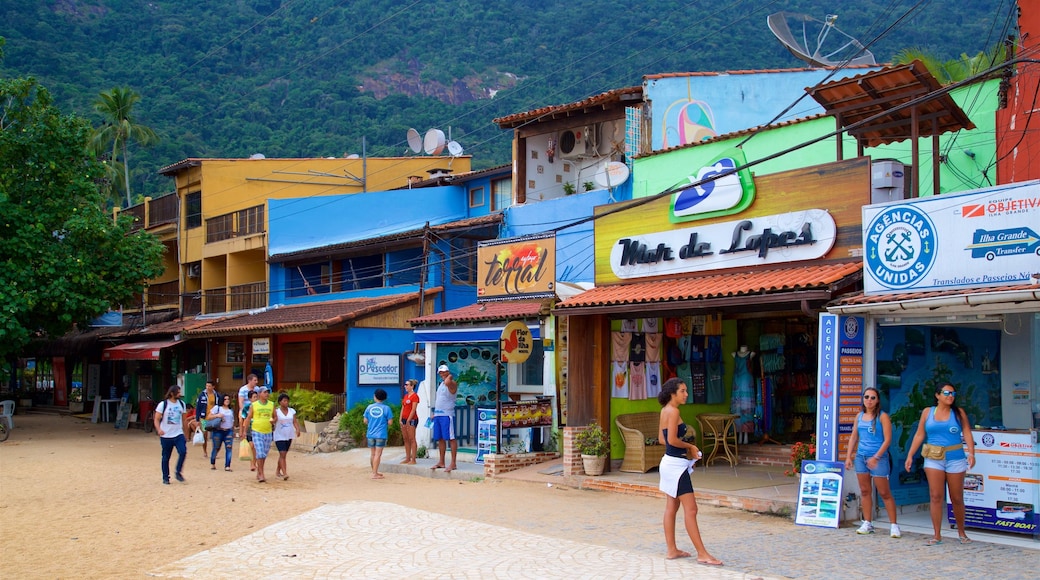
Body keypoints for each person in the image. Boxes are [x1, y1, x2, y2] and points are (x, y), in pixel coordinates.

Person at [657, 378, 721, 565]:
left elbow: (662, 439)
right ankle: (702, 554)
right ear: (673, 393)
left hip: (670, 463)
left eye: (686, 390)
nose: (686, 394)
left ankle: (672, 550)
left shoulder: (665, 411)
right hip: (676, 467)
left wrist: (684, 449)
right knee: (691, 509)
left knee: (672, 507)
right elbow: (673, 441)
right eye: (683, 391)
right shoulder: (674, 411)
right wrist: (690, 447)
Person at [904, 382, 976, 545]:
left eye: (953, 393)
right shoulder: (928, 412)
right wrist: (910, 455)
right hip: (933, 457)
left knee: (957, 497)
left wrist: (971, 453)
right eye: (946, 393)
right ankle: (937, 535)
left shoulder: (958, 413)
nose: (950, 396)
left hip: (955, 457)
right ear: (937, 395)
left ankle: (961, 532)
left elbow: (967, 433)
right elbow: (919, 434)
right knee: (936, 495)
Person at [844, 387, 900, 538]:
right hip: (861, 457)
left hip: (879, 457)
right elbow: (854, 437)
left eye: (872, 397)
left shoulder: (882, 417)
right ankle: (867, 522)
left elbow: (887, 439)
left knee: (884, 492)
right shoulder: (859, 416)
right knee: (864, 490)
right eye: (866, 397)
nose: (869, 400)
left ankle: (894, 525)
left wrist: (876, 457)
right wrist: (849, 456)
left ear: (877, 400)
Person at [154, 385, 187, 485]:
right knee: (165, 457)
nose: (180, 394)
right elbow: (156, 418)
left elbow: (184, 419)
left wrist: (186, 434)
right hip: (166, 435)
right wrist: (159, 429)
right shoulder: (163, 405)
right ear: (172, 393)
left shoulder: (182, 404)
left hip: (178, 433)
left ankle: (178, 472)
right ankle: (165, 477)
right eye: (178, 392)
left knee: (183, 451)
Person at [431, 365, 458, 472]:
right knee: (440, 438)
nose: (442, 374)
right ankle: (441, 461)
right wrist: (435, 413)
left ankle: (453, 463)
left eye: (444, 372)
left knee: (451, 438)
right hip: (438, 414)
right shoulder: (441, 384)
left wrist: (449, 375)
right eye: (440, 372)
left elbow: (448, 382)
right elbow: (440, 400)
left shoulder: (452, 383)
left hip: (447, 415)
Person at [245, 386, 275, 483]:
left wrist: (273, 421)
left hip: (268, 431)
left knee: (264, 454)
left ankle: (259, 471)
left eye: (267, 392)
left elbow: (275, 417)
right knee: (260, 452)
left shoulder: (271, 404)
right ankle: (261, 473)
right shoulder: (254, 405)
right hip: (257, 431)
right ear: (259, 394)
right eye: (265, 392)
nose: (267, 394)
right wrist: (244, 431)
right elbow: (248, 418)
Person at [364, 388, 393, 479]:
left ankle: (374, 471)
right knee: (378, 454)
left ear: (375, 396)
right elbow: (390, 422)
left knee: (372, 454)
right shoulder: (386, 408)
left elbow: (365, 420)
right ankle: (375, 473)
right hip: (381, 434)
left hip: (370, 433)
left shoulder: (369, 407)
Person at [729, 346, 756, 445]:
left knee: (747, 410)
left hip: (746, 385)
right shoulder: (734, 355)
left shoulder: (750, 354)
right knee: (737, 410)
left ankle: (746, 435)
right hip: (737, 385)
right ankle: (739, 434)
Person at [272, 392, 301, 480]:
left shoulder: (292, 411)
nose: (286, 402)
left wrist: (297, 429)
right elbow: (273, 420)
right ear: (280, 402)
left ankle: (278, 470)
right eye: (284, 401)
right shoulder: (276, 411)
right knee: (282, 453)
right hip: (279, 435)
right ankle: (284, 473)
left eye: (287, 401)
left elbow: (294, 421)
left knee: (283, 455)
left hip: (289, 434)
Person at [206, 394, 235, 471]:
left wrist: (233, 430)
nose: (227, 401)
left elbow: (232, 421)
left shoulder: (230, 410)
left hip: (228, 431)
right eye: (225, 399)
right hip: (218, 430)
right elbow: (209, 417)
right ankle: (213, 462)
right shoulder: (217, 408)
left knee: (229, 448)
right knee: (216, 447)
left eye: (228, 399)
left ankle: (227, 465)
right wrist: (217, 415)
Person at [195, 380, 219, 455]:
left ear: (213, 387)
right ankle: (205, 451)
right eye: (207, 386)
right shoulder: (201, 395)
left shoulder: (217, 395)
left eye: (209, 386)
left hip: (213, 417)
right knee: (204, 434)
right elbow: (198, 407)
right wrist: (197, 419)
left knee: (214, 435)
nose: (208, 387)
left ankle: (214, 452)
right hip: (204, 418)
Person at [400, 379, 420, 465]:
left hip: (412, 419)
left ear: (412, 386)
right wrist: (400, 418)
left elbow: (413, 409)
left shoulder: (415, 396)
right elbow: (403, 408)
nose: (405, 386)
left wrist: (408, 419)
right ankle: (407, 457)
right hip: (404, 419)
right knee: (406, 438)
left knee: (412, 438)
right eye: (405, 384)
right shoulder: (405, 396)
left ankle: (413, 459)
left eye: (407, 385)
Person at [239, 390, 260, 472]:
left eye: (256, 397)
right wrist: (242, 430)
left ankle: (254, 463)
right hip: (249, 428)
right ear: (250, 399)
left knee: (255, 447)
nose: (256, 399)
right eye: (254, 397)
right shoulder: (246, 407)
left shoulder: (259, 406)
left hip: (258, 428)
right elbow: (243, 419)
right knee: (251, 445)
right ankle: (252, 463)